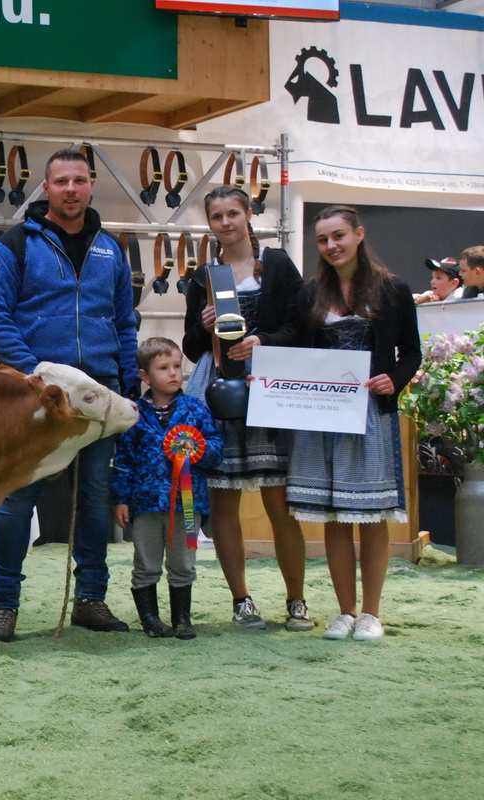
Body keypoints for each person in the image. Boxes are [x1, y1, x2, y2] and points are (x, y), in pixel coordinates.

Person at [0, 147, 139, 642]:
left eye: (80, 180)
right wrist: (37, 375)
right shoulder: (16, 244)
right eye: (61, 181)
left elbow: (124, 322)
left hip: (99, 398)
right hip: (35, 398)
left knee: (93, 502)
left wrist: (126, 383)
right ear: (46, 188)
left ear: (91, 187)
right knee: (17, 500)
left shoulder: (112, 249)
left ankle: (91, 599)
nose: (71, 189)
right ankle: (3, 605)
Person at [287, 205, 420, 641]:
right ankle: (344, 612)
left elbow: (412, 353)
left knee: (370, 515)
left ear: (359, 234)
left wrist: (393, 379)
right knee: (334, 516)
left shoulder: (393, 289)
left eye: (339, 236)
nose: (331, 246)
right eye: (323, 240)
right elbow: (297, 350)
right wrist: (269, 372)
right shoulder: (310, 293)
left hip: (369, 412)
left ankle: (371, 613)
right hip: (323, 413)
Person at [182, 185, 311, 631]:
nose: (226, 222)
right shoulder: (204, 276)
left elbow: (302, 325)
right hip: (219, 390)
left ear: (249, 214)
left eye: (233, 213)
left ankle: (297, 600)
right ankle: (242, 600)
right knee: (224, 503)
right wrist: (203, 326)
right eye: (216, 216)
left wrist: (263, 340)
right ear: (210, 223)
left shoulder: (275, 264)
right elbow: (189, 346)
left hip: (269, 388)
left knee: (280, 500)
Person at [112, 337, 223, 640]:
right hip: (144, 503)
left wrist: (199, 452)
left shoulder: (196, 410)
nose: (174, 373)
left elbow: (216, 446)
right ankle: (150, 618)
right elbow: (123, 460)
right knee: (146, 563)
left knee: (183, 562)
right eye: (164, 368)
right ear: (145, 376)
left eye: (177, 366)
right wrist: (121, 499)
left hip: (187, 503)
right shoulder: (134, 414)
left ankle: (182, 618)